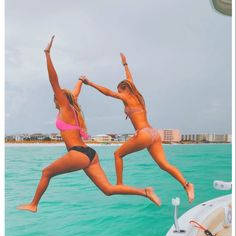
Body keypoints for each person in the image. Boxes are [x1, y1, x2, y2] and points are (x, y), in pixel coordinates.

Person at [17, 38, 161, 213]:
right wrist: (80, 80)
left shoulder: (64, 106)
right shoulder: (74, 107)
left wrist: (47, 55)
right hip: (91, 155)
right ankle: (145, 191)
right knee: (108, 190)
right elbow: (75, 92)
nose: (54, 100)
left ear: (59, 98)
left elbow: (54, 81)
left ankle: (33, 205)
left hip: (78, 154)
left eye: (56, 97)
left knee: (46, 172)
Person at [81, 52, 194, 203]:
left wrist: (90, 83)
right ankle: (187, 185)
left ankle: (120, 184)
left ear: (124, 89)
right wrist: (125, 64)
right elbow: (129, 79)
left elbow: (108, 93)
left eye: (119, 90)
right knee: (164, 164)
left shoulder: (126, 96)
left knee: (117, 155)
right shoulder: (137, 96)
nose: (119, 94)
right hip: (154, 133)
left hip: (144, 134)